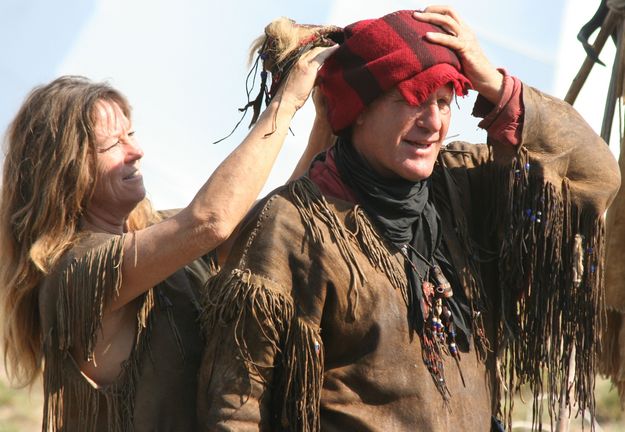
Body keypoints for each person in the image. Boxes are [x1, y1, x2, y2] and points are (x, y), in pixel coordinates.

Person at [197, 6, 621, 432]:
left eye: (444, 101)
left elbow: (595, 178)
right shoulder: (293, 226)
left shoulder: (464, 188)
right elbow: (235, 409)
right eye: (414, 99)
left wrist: (493, 82)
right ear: (358, 109)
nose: (434, 123)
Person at [0, 41, 337, 431]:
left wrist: (325, 119)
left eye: (132, 134)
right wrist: (285, 101)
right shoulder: (75, 271)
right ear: (65, 170)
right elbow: (211, 219)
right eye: (113, 143)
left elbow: (273, 219)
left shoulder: (160, 238)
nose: (137, 151)